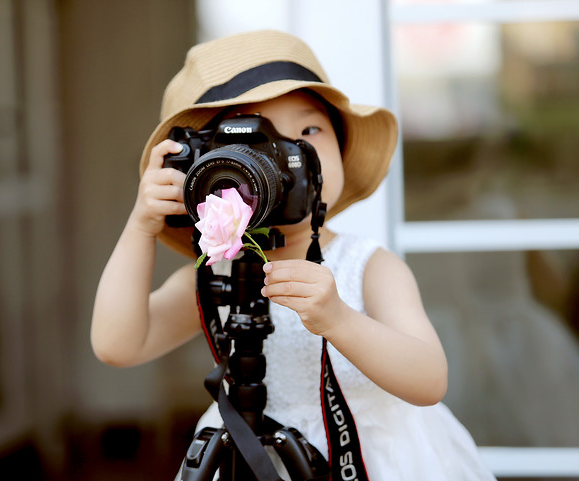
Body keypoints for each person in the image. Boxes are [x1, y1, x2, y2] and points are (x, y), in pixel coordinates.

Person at [91, 29, 496, 480]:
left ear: (341, 148)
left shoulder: (369, 268)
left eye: (309, 130)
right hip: (250, 454)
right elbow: (117, 345)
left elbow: (429, 381)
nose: (285, 157)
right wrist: (140, 226)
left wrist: (339, 320)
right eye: (257, 144)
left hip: (374, 460)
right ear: (213, 168)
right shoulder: (218, 272)